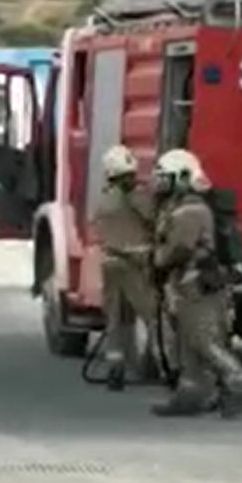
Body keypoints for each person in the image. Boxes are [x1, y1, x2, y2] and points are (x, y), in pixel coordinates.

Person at [149, 148, 242, 418]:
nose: (160, 183)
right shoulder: (183, 206)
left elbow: (179, 249)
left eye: (166, 178)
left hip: (197, 284)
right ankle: (192, 393)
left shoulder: (190, 211)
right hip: (190, 283)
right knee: (189, 342)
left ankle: (240, 384)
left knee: (203, 341)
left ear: (183, 177)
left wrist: (156, 260)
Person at [91, 144, 163, 386]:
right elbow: (155, 219)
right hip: (134, 265)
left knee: (116, 320)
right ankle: (168, 367)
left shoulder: (103, 200)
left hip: (110, 262)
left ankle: (115, 368)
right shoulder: (135, 198)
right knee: (153, 316)